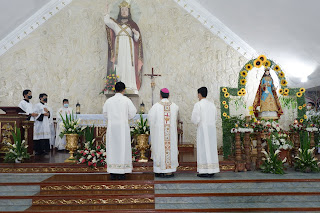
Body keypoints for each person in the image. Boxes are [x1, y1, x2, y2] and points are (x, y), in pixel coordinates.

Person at [104, 0, 143, 93]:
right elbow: (107, 21)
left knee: (129, 65)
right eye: (122, 10)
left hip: (129, 50)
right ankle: (118, 86)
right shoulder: (116, 24)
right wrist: (106, 11)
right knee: (119, 64)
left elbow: (137, 40)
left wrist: (136, 34)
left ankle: (130, 85)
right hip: (119, 49)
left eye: (126, 10)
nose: (124, 12)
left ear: (129, 12)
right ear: (119, 12)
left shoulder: (133, 25)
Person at [103, 82, 137, 180]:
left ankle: (113, 172)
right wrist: (125, 118)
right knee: (123, 147)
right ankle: (122, 172)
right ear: (124, 90)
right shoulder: (126, 100)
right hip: (123, 127)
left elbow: (105, 114)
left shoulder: (109, 101)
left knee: (112, 147)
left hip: (112, 128)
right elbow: (133, 113)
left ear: (114, 89)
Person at [148, 88, 179, 178]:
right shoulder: (175, 106)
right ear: (169, 95)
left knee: (160, 148)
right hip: (171, 135)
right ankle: (169, 171)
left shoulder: (156, 106)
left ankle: (159, 170)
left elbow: (150, 120)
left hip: (160, 135)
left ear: (160, 95)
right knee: (170, 148)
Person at [191, 87, 220, 177]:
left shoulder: (198, 105)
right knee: (211, 148)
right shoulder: (212, 105)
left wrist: (197, 123)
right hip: (211, 129)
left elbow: (195, 119)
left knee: (203, 149)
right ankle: (212, 169)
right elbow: (215, 117)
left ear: (199, 94)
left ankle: (204, 171)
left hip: (203, 130)